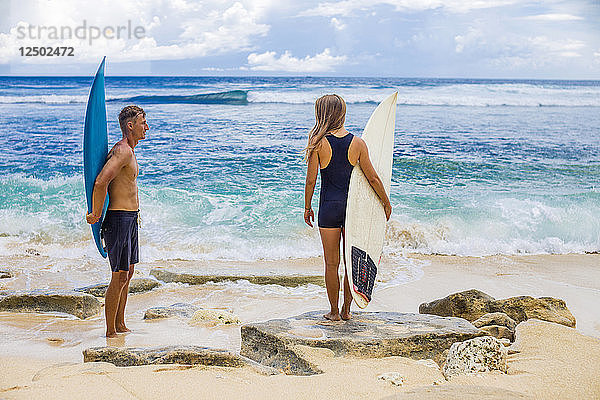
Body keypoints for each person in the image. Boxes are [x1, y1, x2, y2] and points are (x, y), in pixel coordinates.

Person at [303, 94, 391, 321]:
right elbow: (373, 178)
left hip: (328, 209)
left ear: (321, 114)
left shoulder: (318, 143)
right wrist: (385, 202)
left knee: (331, 264)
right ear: (342, 113)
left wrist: (307, 207)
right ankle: (346, 310)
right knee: (351, 264)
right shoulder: (358, 143)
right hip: (352, 211)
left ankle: (333, 312)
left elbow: (311, 180)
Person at [86, 105, 148, 338]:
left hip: (130, 218)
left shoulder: (129, 152)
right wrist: (95, 213)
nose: (147, 127)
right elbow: (101, 182)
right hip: (118, 219)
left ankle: (120, 324)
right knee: (118, 274)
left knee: (128, 272)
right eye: (143, 123)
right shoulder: (122, 151)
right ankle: (110, 331)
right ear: (130, 125)